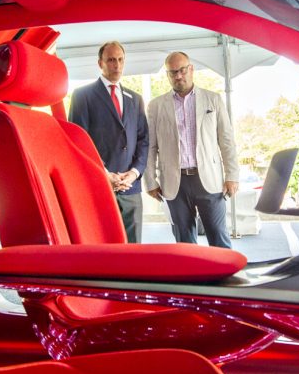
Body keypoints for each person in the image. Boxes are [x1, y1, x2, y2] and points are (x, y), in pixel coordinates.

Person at [144, 51, 239, 248]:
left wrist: (232, 175)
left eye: (182, 70)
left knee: (219, 238)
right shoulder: (155, 106)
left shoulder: (213, 100)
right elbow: (150, 147)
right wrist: (151, 182)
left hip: (209, 180)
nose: (178, 76)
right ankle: (191, 278)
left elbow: (227, 140)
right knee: (184, 243)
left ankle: (227, 276)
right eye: (172, 72)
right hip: (174, 183)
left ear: (191, 69)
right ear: (168, 75)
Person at [68, 41, 149, 243]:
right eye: (111, 60)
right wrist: (105, 174)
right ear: (100, 63)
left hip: (131, 187)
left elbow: (143, 141)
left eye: (120, 60)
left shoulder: (135, 98)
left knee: (133, 252)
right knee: (104, 249)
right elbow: (78, 142)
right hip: (99, 186)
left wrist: (134, 173)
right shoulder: (82, 96)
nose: (117, 65)